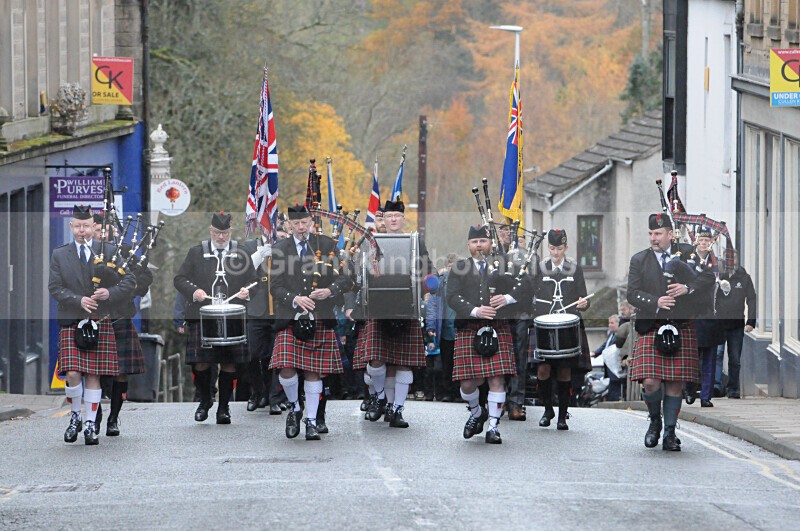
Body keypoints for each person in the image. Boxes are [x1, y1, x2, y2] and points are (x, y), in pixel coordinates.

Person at [627, 213, 714, 451]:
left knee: (675, 383)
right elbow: (632, 293)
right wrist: (656, 301)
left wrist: (687, 288)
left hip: (681, 325)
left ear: (669, 233)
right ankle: (655, 421)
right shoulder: (640, 260)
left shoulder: (686, 253)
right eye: (651, 234)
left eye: (658, 234)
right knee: (651, 382)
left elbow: (708, 278)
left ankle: (670, 433)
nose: (653, 238)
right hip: (651, 327)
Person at [49, 205, 135, 445]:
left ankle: (90, 423)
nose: (82, 231)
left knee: (94, 374)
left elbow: (129, 280)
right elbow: (54, 288)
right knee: (74, 372)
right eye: (77, 226)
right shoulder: (60, 254)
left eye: (86, 226)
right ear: (71, 227)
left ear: (93, 227)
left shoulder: (108, 251)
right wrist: (78, 300)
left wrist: (109, 292)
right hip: (71, 320)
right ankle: (75, 416)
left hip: (100, 320)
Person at [269, 205, 353, 440]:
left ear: (311, 222)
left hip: (320, 317)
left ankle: (312, 421)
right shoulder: (280, 249)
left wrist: (330, 290)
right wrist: (294, 298)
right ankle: (295, 408)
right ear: (289, 225)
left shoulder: (326, 245)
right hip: (290, 318)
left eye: (305, 221)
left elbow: (346, 279)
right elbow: (275, 286)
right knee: (286, 370)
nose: (301, 226)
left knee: (313, 372)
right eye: (296, 223)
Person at [446, 225, 529, 444]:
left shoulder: (502, 265)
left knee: (496, 378)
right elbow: (451, 297)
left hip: (497, 327)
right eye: (475, 242)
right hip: (469, 327)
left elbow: (526, 285)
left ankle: (493, 427)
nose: (479, 245)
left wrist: (507, 298)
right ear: (469, 245)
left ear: (490, 243)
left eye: (483, 241)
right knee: (467, 383)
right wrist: (475, 310)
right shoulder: (460, 267)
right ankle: (476, 413)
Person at [354, 200, 433, 428]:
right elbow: (360, 272)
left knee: (403, 363)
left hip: (406, 307)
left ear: (403, 219)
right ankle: (379, 398)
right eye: (389, 217)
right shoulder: (371, 243)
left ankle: (396, 409)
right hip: (379, 307)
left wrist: (430, 282)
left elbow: (427, 268)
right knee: (377, 360)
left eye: (397, 216)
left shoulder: (415, 242)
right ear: (383, 220)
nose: (393, 220)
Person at [174, 212, 256, 425]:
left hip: (233, 316)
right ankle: (205, 399)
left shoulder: (242, 253)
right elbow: (179, 279)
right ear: (211, 231)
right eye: (218, 233)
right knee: (200, 363)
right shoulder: (196, 253)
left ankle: (224, 407)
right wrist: (194, 292)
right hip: (201, 316)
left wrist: (248, 292)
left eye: (225, 233)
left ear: (231, 232)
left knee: (229, 363)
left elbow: (255, 281)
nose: (221, 237)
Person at [532, 229, 590, 431]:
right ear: (548, 248)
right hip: (544, 325)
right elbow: (532, 294)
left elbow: (584, 297)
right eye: (552, 248)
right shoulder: (540, 267)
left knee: (565, 371)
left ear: (566, 247)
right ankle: (547, 409)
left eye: (559, 248)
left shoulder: (575, 268)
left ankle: (562, 415)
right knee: (543, 369)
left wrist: (584, 303)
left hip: (567, 326)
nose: (555, 252)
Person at [240, 223, 288, 415]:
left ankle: (274, 397)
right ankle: (258, 392)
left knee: (275, 357)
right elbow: (240, 272)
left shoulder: (286, 248)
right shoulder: (248, 247)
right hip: (256, 308)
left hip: (279, 308)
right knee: (251, 354)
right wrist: (259, 257)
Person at [714, 251, 756, 399]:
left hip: (737, 324)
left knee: (735, 358)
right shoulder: (718, 277)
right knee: (717, 355)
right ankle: (716, 386)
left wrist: (751, 321)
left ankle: (733, 388)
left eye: (733, 257)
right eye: (727, 257)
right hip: (718, 323)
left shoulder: (744, 278)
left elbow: (751, 299)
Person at [691, 228, 722, 407]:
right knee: (692, 357)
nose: (704, 243)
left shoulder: (716, 262)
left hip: (710, 315)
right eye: (701, 240)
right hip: (693, 315)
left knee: (710, 359)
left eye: (707, 240)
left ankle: (705, 395)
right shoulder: (688, 259)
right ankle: (689, 389)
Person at [425, 253, 459, 402]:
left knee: (460, 362)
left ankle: (459, 392)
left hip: (460, 329)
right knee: (446, 363)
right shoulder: (440, 283)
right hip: (444, 330)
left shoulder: (463, 282)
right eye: (450, 265)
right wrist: (431, 326)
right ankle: (447, 392)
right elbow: (432, 306)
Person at [592, 315, 625, 401]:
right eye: (609, 323)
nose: (610, 325)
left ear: (618, 324)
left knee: (616, 389)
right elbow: (605, 346)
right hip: (610, 367)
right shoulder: (611, 334)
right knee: (612, 387)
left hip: (617, 366)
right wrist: (595, 353)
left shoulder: (621, 335)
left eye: (612, 323)